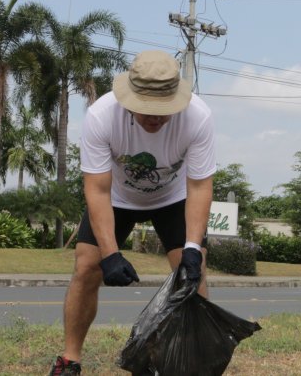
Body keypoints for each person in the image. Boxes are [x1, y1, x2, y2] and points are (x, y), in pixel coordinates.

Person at [50, 50, 216, 376]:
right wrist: (110, 254)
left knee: (192, 278)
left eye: (162, 110)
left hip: (174, 196)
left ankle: (193, 364)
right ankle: (70, 360)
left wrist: (194, 249)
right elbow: (97, 190)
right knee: (86, 267)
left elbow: (199, 187)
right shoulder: (101, 116)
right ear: (129, 97)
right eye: (145, 109)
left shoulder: (198, 116)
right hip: (116, 197)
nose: (154, 117)